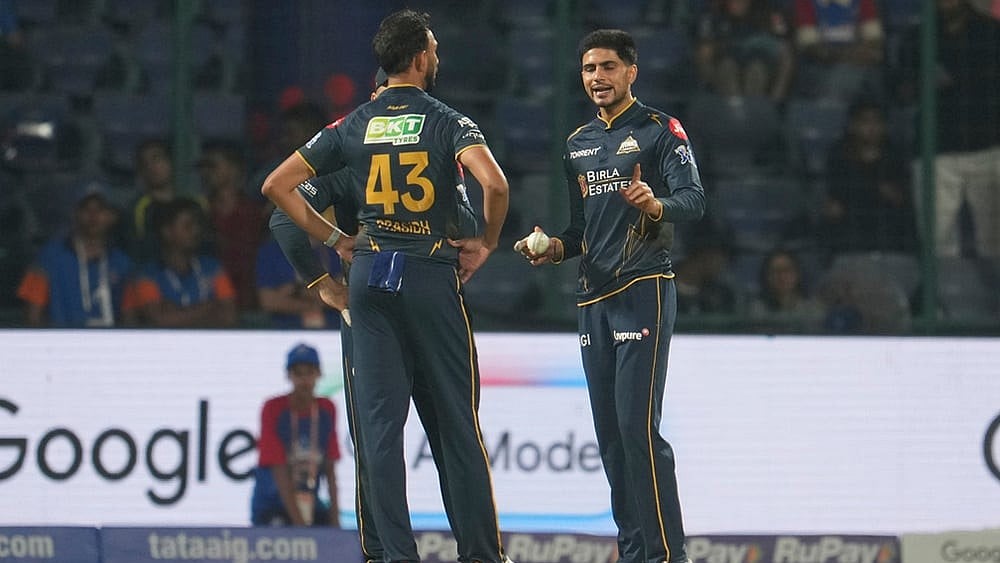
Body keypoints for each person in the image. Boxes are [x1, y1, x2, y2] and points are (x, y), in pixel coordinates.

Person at [261, 10, 510, 563]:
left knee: (377, 432)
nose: (438, 57)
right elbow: (496, 183)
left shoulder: (355, 126)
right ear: (420, 58)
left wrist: (334, 249)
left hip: (371, 276)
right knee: (457, 428)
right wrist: (488, 243)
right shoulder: (447, 121)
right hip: (428, 272)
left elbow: (276, 188)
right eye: (436, 49)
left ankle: (392, 555)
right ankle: (482, 555)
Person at [515, 29, 705, 563]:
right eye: (588, 69)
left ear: (631, 72)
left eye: (607, 67)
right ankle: (634, 550)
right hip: (591, 299)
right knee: (610, 437)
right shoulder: (577, 143)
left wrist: (655, 204)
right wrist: (552, 248)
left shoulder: (659, 130)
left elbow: (694, 199)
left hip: (644, 288)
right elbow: (579, 233)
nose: (596, 78)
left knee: (636, 428)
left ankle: (667, 554)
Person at [897, 0, 1000, 258]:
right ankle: (943, 299)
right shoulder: (917, 36)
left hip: (989, 148)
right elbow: (902, 89)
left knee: (995, 245)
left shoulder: (991, 32)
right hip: (936, 151)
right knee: (938, 249)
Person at [251, 343, 341, 527]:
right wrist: (301, 527)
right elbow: (278, 469)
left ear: (318, 374)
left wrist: (336, 522)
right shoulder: (274, 409)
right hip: (273, 504)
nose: (304, 380)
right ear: (289, 376)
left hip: (309, 502)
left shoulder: (326, 409)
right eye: (298, 374)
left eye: (309, 372)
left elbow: (330, 469)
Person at [16, 186, 132, 327]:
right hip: (61, 344)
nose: (93, 216)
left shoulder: (122, 263)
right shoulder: (48, 257)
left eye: (100, 209)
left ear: (112, 217)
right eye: (86, 209)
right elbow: (32, 317)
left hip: (110, 344)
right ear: (74, 214)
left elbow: (130, 319)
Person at [818, 98, 917, 255]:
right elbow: (838, 197)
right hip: (851, 226)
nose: (872, 127)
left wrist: (892, 196)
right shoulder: (838, 154)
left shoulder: (895, 154)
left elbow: (900, 198)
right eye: (865, 121)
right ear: (852, 125)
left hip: (887, 228)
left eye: (877, 122)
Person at [122, 197, 238, 327]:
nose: (196, 231)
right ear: (167, 232)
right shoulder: (145, 275)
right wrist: (210, 306)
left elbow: (229, 317)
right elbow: (160, 321)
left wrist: (177, 312)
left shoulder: (213, 268)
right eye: (187, 226)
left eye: (196, 225)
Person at [197, 138, 266, 311]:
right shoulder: (199, 213)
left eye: (212, 166)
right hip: (210, 304)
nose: (206, 173)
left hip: (252, 301)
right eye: (203, 167)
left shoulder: (256, 213)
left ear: (234, 169)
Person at [694, 0, 794, 101]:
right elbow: (705, 51)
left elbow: (783, 46)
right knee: (727, 68)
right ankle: (735, 111)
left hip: (759, 63)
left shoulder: (768, 12)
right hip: (725, 63)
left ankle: (761, 110)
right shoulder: (714, 15)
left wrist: (775, 100)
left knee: (756, 71)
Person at [791, 0, 885, 101]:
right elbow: (812, 47)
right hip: (821, 64)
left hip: (859, 62)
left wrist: (861, 53)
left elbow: (874, 39)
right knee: (843, 76)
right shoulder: (805, 2)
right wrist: (848, 56)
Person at [747, 248, 825, 332]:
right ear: (767, 276)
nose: (781, 276)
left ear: (797, 273)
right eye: (775, 271)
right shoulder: (757, 309)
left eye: (787, 270)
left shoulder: (814, 308)